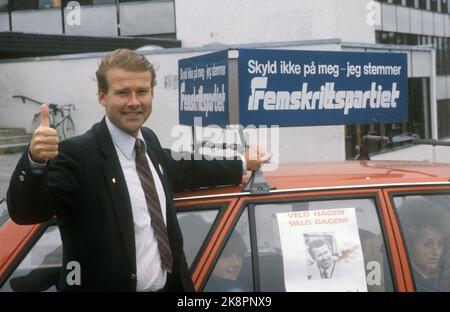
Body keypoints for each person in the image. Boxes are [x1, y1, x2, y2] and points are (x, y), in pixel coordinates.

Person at [6, 49, 271, 292]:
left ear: (152, 94)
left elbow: (185, 168)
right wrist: (34, 161)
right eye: (123, 93)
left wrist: (242, 162)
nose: (134, 102)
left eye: (142, 92)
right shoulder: (77, 155)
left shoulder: (149, 142)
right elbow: (27, 212)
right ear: (102, 96)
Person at [399, 204, 448, 292]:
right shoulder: (415, 284)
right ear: (409, 245)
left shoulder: (436, 278)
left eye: (440, 243)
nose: (436, 252)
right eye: (427, 244)